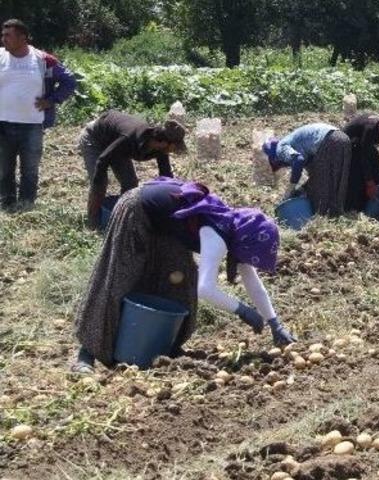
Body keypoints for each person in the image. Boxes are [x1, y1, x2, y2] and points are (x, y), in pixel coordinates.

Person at [72, 177, 295, 374]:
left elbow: (251, 280)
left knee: (181, 280)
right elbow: (206, 289)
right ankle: (86, 354)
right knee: (119, 277)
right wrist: (243, 311)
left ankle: (166, 346)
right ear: (246, 243)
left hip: (166, 223)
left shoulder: (236, 230)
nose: (248, 260)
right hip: (136, 208)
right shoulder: (216, 234)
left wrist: (275, 323)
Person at [0, 19, 76, 210]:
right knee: (3, 168)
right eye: (3, 35)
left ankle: (26, 204)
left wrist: (51, 100)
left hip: (32, 124)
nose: (3, 39)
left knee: (30, 169)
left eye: (8, 35)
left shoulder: (43, 59)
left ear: (22, 37)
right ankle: (6, 202)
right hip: (2, 124)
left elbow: (69, 81)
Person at [82, 110, 187, 228]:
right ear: (163, 142)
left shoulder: (161, 149)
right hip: (95, 138)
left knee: (130, 183)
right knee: (101, 182)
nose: (174, 151)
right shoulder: (130, 138)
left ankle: (122, 217)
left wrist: (171, 200)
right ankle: (93, 222)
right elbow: (102, 160)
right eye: (175, 146)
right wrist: (98, 184)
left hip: (116, 144)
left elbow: (166, 175)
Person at [262, 122, 352, 216]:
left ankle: (322, 214)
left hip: (329, 141)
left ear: (273, 158)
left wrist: (292, 186)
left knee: (321, 183)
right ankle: (337, 213)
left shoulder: (280, 149)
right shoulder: (297, 144)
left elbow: (298, 160)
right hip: (343, 139)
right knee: (338, 179)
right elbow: (313, 170)